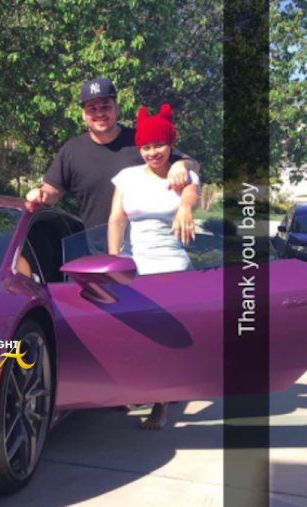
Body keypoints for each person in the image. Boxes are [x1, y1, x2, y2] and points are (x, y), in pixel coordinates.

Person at [25, 78, 200, 256]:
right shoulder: (72, 151)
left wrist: (181, 164)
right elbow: (53, 191)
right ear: (83, 114)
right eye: (92, 108)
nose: (99, 113)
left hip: (152, 251)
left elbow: (192, 165)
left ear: (116, 109)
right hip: (97, 253)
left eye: (105, 106)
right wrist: (41, 194)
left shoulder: (142, 141)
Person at [107, 103, 199, 430]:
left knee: (164, 341)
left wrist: (185, 207)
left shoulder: (182, 174)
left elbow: (191, 195)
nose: (152, 152)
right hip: (135, 267)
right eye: (146, 146)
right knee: (134, 337)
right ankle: (136, 391)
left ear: (170, 143)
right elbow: (116, 219)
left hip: (172, 268)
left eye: (158, 145)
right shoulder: (127, 177)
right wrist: (113, 261)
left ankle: (160, 406)